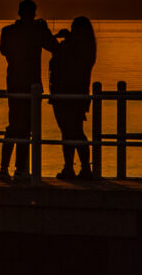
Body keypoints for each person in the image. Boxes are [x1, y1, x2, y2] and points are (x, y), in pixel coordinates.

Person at [0, 0, 58, 182]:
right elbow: (54, 47)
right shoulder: (37, 31)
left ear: (18, 12)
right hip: (30, 84)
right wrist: (45, 29)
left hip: (15, 83)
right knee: (25, 128)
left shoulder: (8, 31)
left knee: (15, 126)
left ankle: (7, 168)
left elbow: (4, 51)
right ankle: (19, 169)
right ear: (33, 13)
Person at [48, 16, 97, 180]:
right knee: (69, 131)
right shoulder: (85, 45)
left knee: (73, 131)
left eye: (75, 28)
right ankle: (72, 167)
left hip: (71, 94)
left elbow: (68, 56)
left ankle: (81, 168)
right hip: (69, 93)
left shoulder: (82, 46)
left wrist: (67, 39)